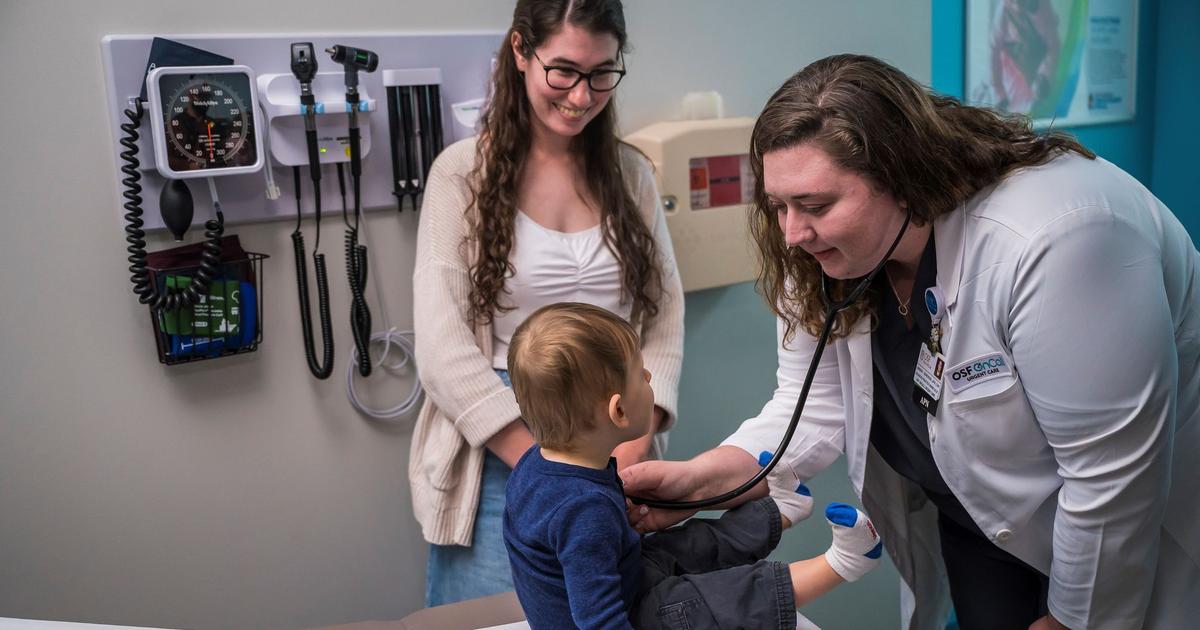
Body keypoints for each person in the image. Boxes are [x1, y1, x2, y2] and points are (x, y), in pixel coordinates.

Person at [622, 54, 1200, 630]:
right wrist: (701, 478)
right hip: (981, 525)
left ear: (900, 175)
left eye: (816, 206)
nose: (792, 234)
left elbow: (1110, 479)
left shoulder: (1056, 239)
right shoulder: (833, 257)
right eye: (778, 206)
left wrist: (1073, 623)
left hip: (1126, 536)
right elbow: (813, 404)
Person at [409, 0, 685, 607]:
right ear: (519, 52)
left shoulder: (631, 174)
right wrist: (542, 464)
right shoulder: (461, 176)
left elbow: (664, 316)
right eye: (562, 71)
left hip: (619, 438)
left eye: (601, 73)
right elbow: (441, 346)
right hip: (503, 450)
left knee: (614, 614)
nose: (582, 96)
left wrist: (634, 440)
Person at [504, 302, 883, 629]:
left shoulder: (535, 467)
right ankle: (842, 563)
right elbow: (598, 620)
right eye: (640, 373)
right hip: (626, 616)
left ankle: (779, 511)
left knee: (688, 543)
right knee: (712, 598)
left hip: (628, 578)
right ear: (618, 411)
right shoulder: (583, 511)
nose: (650, 376)